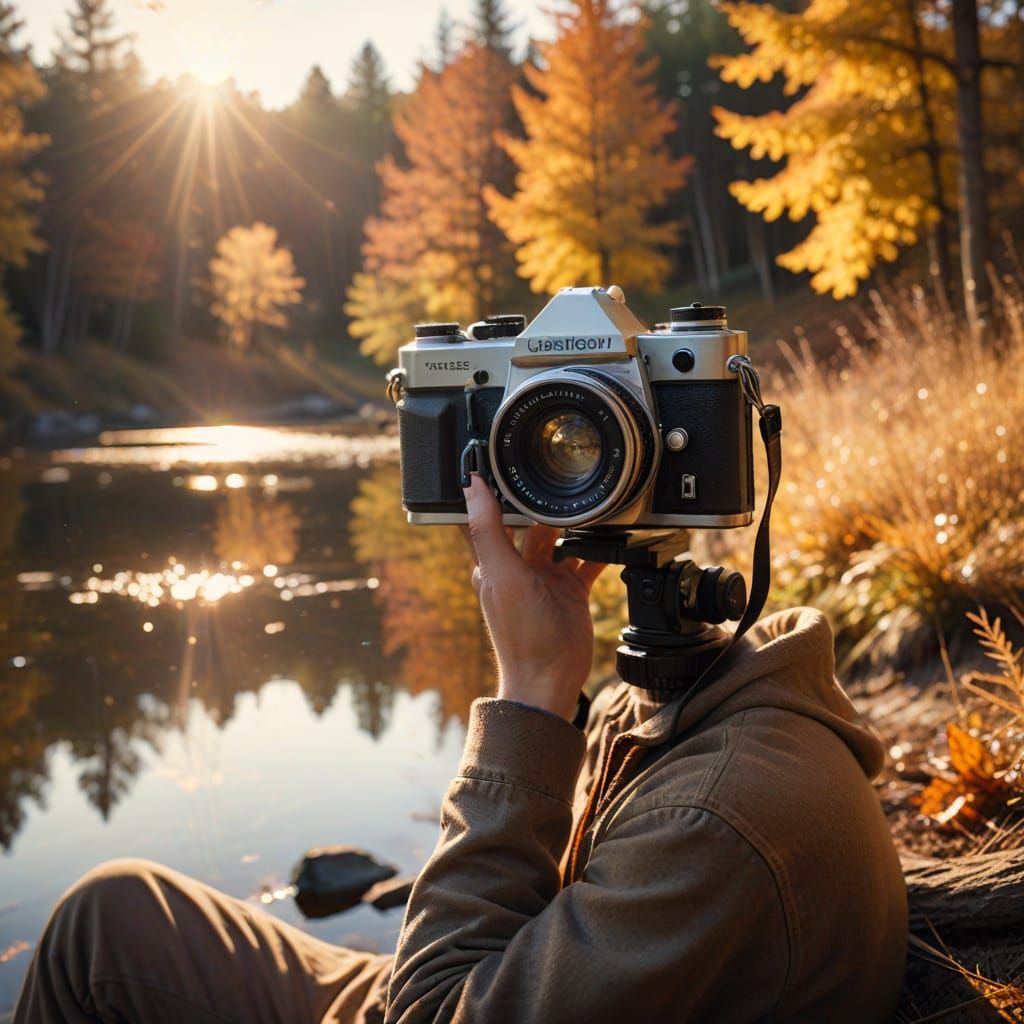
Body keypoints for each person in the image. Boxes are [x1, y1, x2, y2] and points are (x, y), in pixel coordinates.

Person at [14, 475, 908, 1023]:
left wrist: (528, 689)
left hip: (449, 1004)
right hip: (506, 983)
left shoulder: (709, 824)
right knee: (117, 912)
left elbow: (436, 1010)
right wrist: (559, 685)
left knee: (99, 933)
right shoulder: (737, 694)